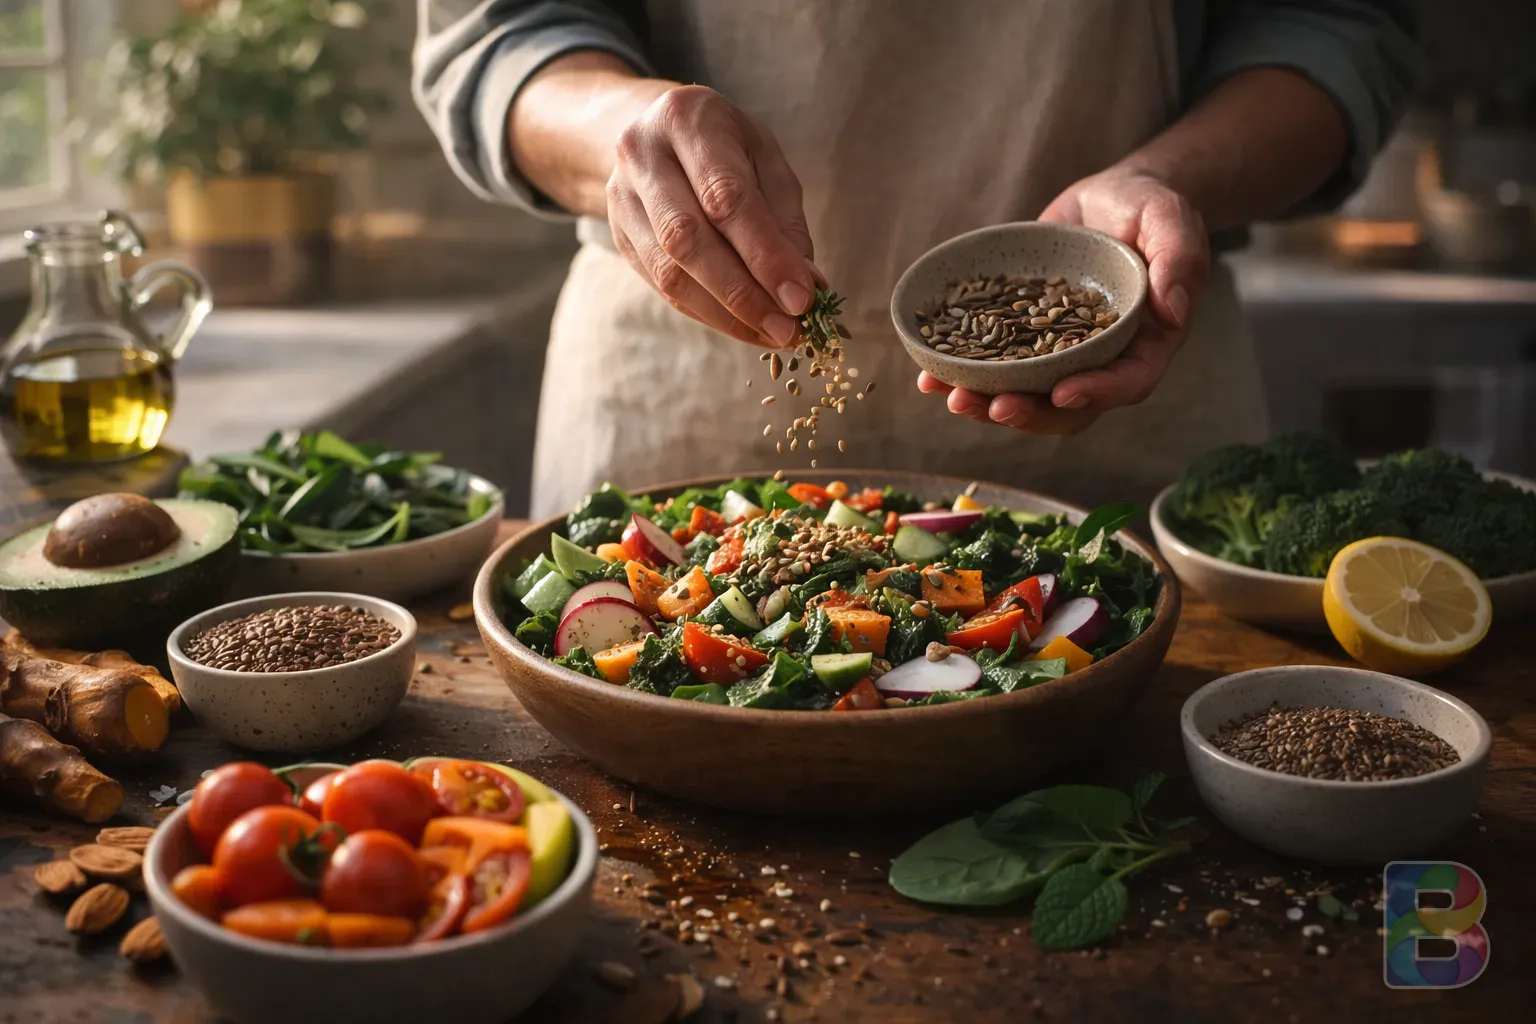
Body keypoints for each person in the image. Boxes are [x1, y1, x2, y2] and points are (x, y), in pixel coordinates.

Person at [414, 1, 1421, 517]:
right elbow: (495, 32)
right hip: (683, 424)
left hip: (1130, 399)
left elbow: (1338, 25)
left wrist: (1176, 179)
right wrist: (619, 128)